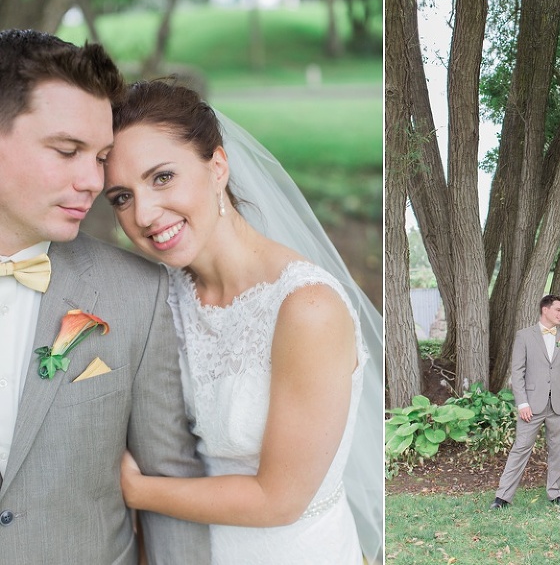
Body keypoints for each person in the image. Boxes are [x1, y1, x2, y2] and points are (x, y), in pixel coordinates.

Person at [104, 80, 383, 564]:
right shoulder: (159, 295)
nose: (144, 214)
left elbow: (279, 499)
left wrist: (136, 491)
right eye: (121, 197)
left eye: (163, 177)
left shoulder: (306, 308)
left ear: (217, 167)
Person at [0, 30, 210, 563]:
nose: (93, 181)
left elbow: (170, 489)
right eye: (68, 151)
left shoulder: (136, 293)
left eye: (100, 158)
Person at [491, 295, 560, 509]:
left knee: (558, 450)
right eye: (558, 310)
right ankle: (502, 497)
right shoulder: (524, 336)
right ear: (545, 310)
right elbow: (517, 372)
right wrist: (522, 403)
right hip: (531, 405)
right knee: (520, 448)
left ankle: (555, 493)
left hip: (558, 404)